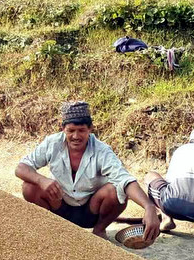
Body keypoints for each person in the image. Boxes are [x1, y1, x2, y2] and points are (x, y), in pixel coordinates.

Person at [15, 101, 160, 242]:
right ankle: (53, 228)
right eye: (71, 131)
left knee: (116, 190)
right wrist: (42, 180)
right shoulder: (52, 143)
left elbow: (125, 180)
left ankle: (99, 230)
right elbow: (21, 167)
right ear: (63, 128)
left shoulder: (101, 150)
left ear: (90, 129)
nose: (76, 136)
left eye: (81, 131)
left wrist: (149, 207)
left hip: (91, 212)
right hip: (59, 206)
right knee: (30, 186)